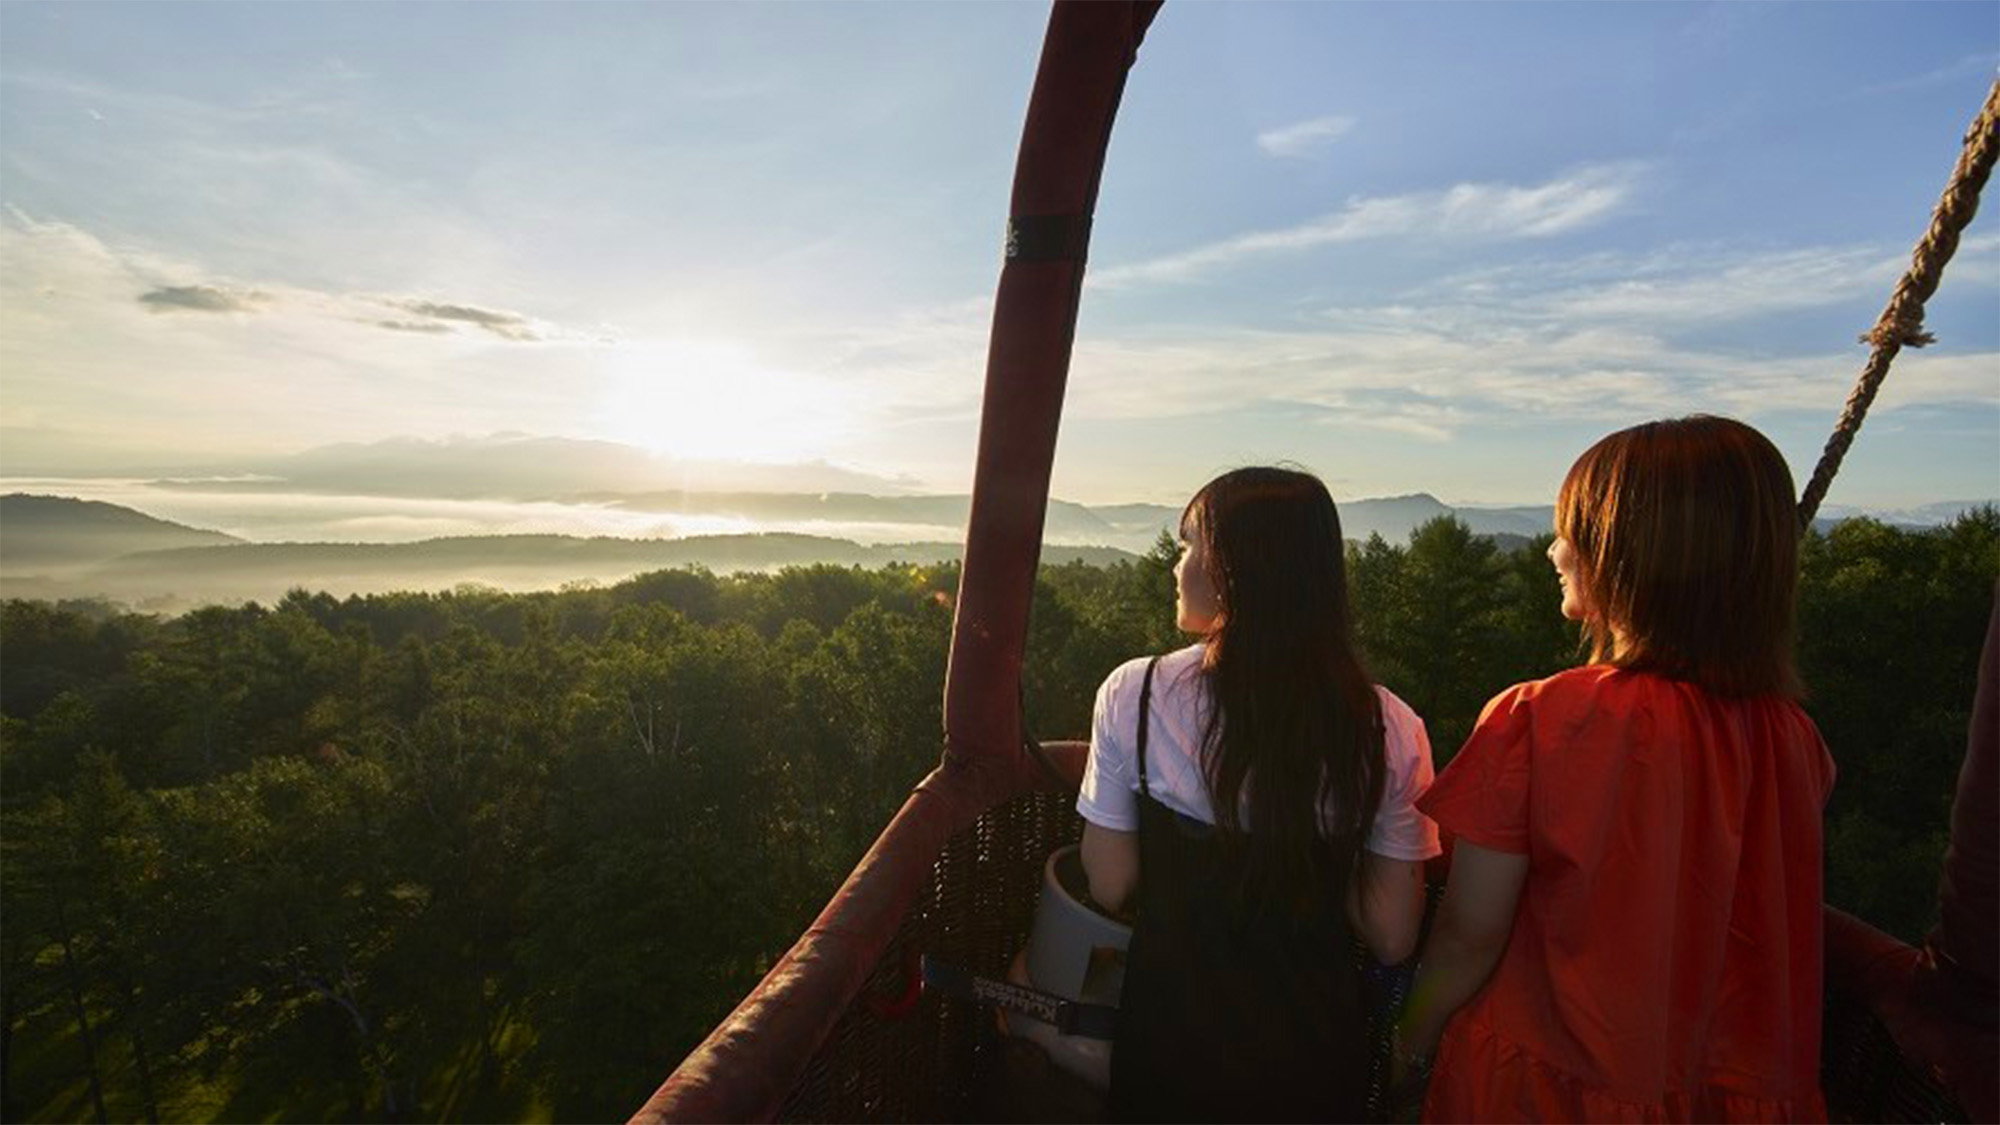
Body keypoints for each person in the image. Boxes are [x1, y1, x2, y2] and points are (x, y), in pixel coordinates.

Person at [1393, 415, 1835, 1122]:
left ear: (1632, 553)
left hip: (1546, 1094)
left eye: (1576, 530)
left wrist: (1406, 1036)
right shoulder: (1793, 739)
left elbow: (1468, 934)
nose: (1554, 549)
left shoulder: (1538, 720)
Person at [1076, 466, 1441, 1122]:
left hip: (1168, 1056)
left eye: (1189, 546)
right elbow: (1391, 934)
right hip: (1314, 1065)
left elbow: (1109, 882)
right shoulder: (1390, 730)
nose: (1175, 563)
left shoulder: (1136, 696)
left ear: (1235, 572)